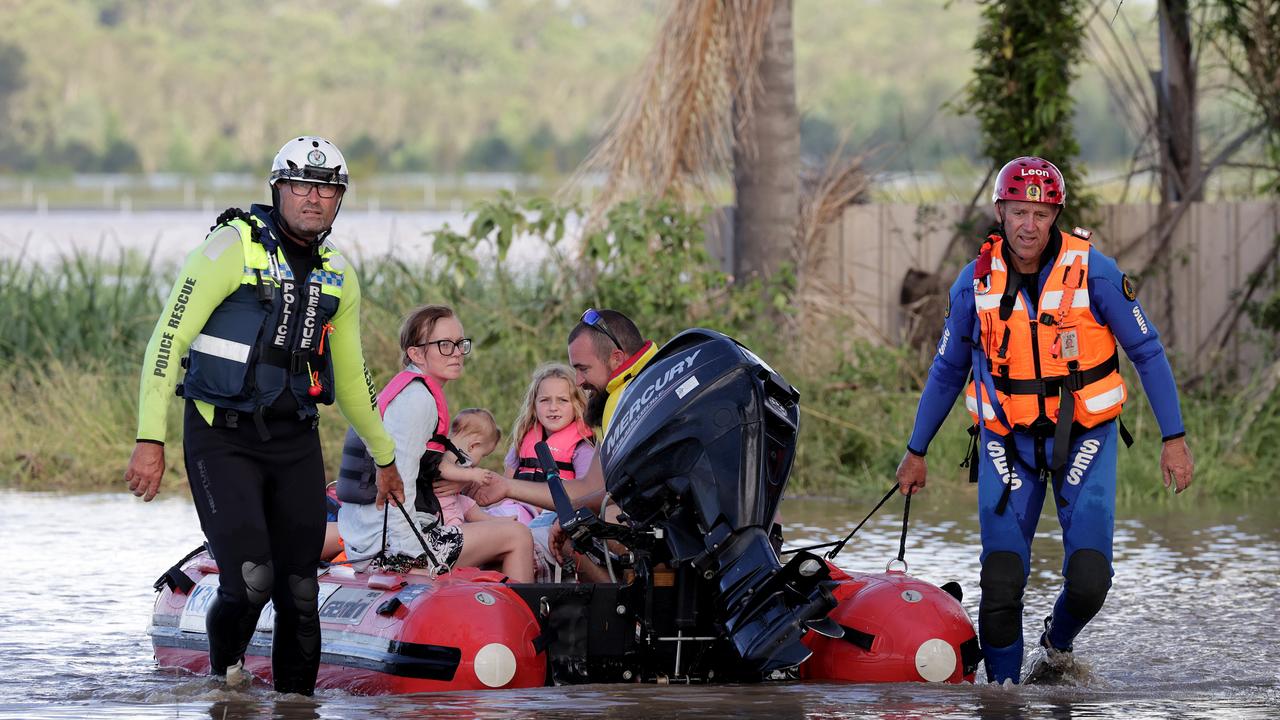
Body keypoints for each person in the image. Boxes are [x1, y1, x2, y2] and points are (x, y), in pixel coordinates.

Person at [895, 156, 1195, 684]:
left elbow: (1147, 351)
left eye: (1040, 212)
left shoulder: (1095, 272)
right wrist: (916, 451)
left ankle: (1056, 646)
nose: (1028, 225)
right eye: (1018, 212)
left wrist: (1174, 439)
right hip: (1006, 443)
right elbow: (946, 370)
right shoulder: (975, 284)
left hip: (1085, 437)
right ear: (1000, 212)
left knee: (1089, 580)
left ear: (1054, 214)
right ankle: (1003, 698)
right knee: (1002, 580)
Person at [123, 135, 405, 695]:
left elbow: (352, 378)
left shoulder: (338, 274)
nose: (313, 198)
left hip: (293, 441)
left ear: (338, 201)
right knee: (252, 580)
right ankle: (225, 678)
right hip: (220, 437)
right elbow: (166, 341)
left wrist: (386, 455)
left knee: (300, 591)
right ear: (278, 189)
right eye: (301, 185)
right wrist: (148, 439)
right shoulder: (230, 248)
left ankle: (296, 706)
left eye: (327, 189)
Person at [336, 304, 534, 583]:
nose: (456, 353)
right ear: (416, 353)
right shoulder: (418, 401)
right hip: (389, 548)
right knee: (518, 535)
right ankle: (525, 624)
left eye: (459, 344)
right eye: (444, 345)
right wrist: (410, 559)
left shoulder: (407, 390)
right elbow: (397, 482)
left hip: (370, 538)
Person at [491, 363, 595, 525]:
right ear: (534, 405)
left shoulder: (582, 447)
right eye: (545, 400)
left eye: (562, 400)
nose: (553, 407)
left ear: (577, 405)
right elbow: (505, 485)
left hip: (552, 518)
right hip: (515, 511)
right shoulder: (522, 439)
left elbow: (588, 495)